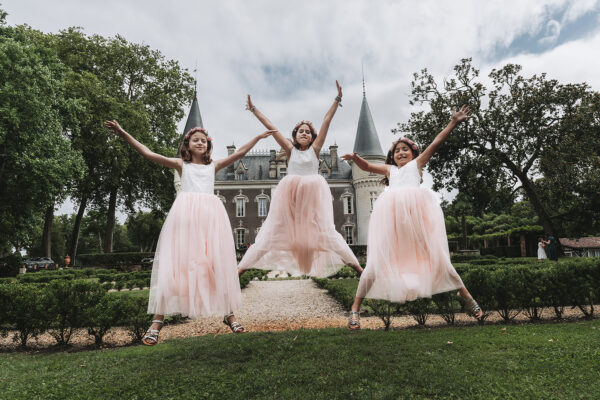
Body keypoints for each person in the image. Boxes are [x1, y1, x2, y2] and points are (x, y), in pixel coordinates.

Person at [105, 120, 275, 344]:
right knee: (174, 266)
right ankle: (157, 321)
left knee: (217, 265)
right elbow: (148, 153)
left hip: (210, 220)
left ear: (208, 145)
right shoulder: (180, 165)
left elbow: (241, 152)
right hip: (185, 218)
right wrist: (123, 132)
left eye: (204, 140)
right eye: (196, 140)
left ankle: (229, 315)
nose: (200, 142)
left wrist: (259, 137)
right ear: (187, 144)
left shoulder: (213, 166)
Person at [341, 105, 483, 330]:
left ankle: (464, 293)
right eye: (397, 150)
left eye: (405, 149)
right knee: (375, 265)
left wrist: (453, 122)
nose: (400, 152)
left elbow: (436, 142)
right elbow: (367, 165)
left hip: (417, 221)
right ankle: (355, 309)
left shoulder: (417, 165)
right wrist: (355, 158)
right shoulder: (390, 171)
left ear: (414, 153)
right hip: (394, 222)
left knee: (438, 258)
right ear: (392, 156)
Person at [237, 81, 363, 278]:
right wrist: (254, 110)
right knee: (271, 233)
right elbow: (272, 127)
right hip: (291, 196)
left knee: (327, 232)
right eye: (300, 131)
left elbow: (326, 121)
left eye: (307, 131)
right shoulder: (290, 150)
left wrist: (337, 99)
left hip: (313, 195)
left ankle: (358, 268)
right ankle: (241, 268)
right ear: (295, 136)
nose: (304, 133)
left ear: (312, 137)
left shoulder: (315, 149)